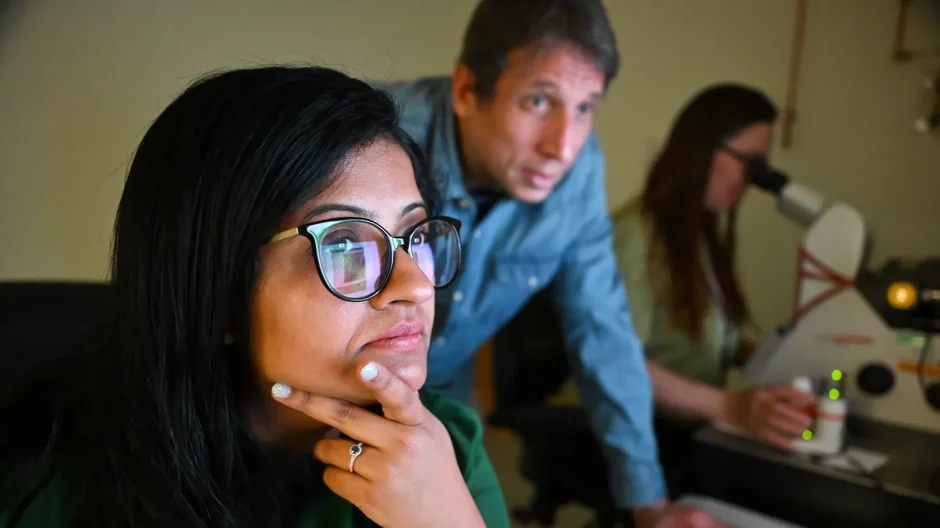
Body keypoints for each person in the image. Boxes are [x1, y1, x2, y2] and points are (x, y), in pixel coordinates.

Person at [0, 65, 510, 528]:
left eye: (415, 236)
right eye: (346, 246)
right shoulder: (57, 481)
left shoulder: (442, 450)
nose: (416, 285)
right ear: (220, 292)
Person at [373, 1, 721, 526]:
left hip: (438, 398)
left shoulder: (578, 176)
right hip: (322, 396)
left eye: (585, 108)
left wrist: (650, 506)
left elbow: (603, 332)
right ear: (466, 90)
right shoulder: (372, 137)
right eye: (539, 101)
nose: (563, 146)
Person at [608, 83, 815, 493]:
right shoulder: (637, 236)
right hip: (634, 429)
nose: (752, 180)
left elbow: (712, 341)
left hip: (683, 424)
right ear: (702, 150)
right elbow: (619, 366)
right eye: (750, 163)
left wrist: (789, 363)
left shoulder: (699, 237)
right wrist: (730, 406)